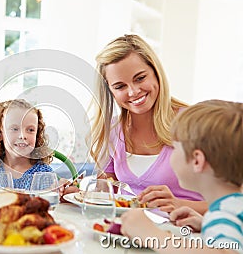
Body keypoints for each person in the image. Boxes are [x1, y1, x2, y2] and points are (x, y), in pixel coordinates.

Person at [88, 34, 207, 214]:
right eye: (120, 86)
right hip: (132, 233)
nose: (133, 91)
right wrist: (77, 194)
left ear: (156, 72)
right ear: (109, 91)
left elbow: (234, 204)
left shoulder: (196, 123)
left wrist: (180, 204)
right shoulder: (113, 131)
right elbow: (105, 197)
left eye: (140, 78)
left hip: (186, 236)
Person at [121, 99, 243, 253]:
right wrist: (205, 224)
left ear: (197, 160)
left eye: (175, 147)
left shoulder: (223, 217)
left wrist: (152, 235)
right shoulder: (232, 209)